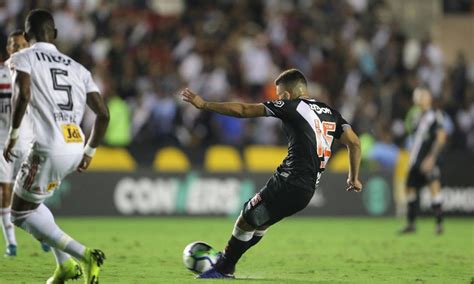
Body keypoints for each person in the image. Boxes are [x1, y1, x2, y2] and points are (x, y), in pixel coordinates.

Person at [181, 68, 362, 278]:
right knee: (258, 225)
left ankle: (223, 267)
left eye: (279, 96)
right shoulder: (330, 112)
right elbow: (355, 143)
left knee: (246, 217)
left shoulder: (291, 106)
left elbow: (243, 110)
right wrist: (354, 177)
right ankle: (227, 261)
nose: (278, 99)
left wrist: (204, 105)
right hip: (306, 190)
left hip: (289, 181)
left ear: (286, 95)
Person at [3, 9, 109, 283]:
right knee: (34, 205)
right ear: (56, 34)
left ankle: (84, 255)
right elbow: (103, 114)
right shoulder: (78, 68)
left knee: (19, 213)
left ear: (26, 36)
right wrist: (90, 152)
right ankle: (64, 265)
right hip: (75, 144)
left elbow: (23, 94)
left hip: (47, 146)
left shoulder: (22, 57)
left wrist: (13, 135)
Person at [0, 30, 52, 257]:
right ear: (8, 48)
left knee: (30, 196)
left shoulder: (34, 73)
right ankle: (11, 242)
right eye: (14, 45)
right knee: (5, 191)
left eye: (22, 44)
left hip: (29, 140)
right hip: (2, 140)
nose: (17, 48)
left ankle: (42, 233)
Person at [399, 87, 447, 235]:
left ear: (429, 98)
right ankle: (411, 223)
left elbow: (441, 138)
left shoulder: (435, 115)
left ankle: (439, 224)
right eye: (417, 96)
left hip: (428, 159)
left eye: (421, 96)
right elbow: (415, 139)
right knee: (410, 188)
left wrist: (431, 158)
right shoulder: (416, 117)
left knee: (434, 187)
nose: (418, 98)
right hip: (416, 160)